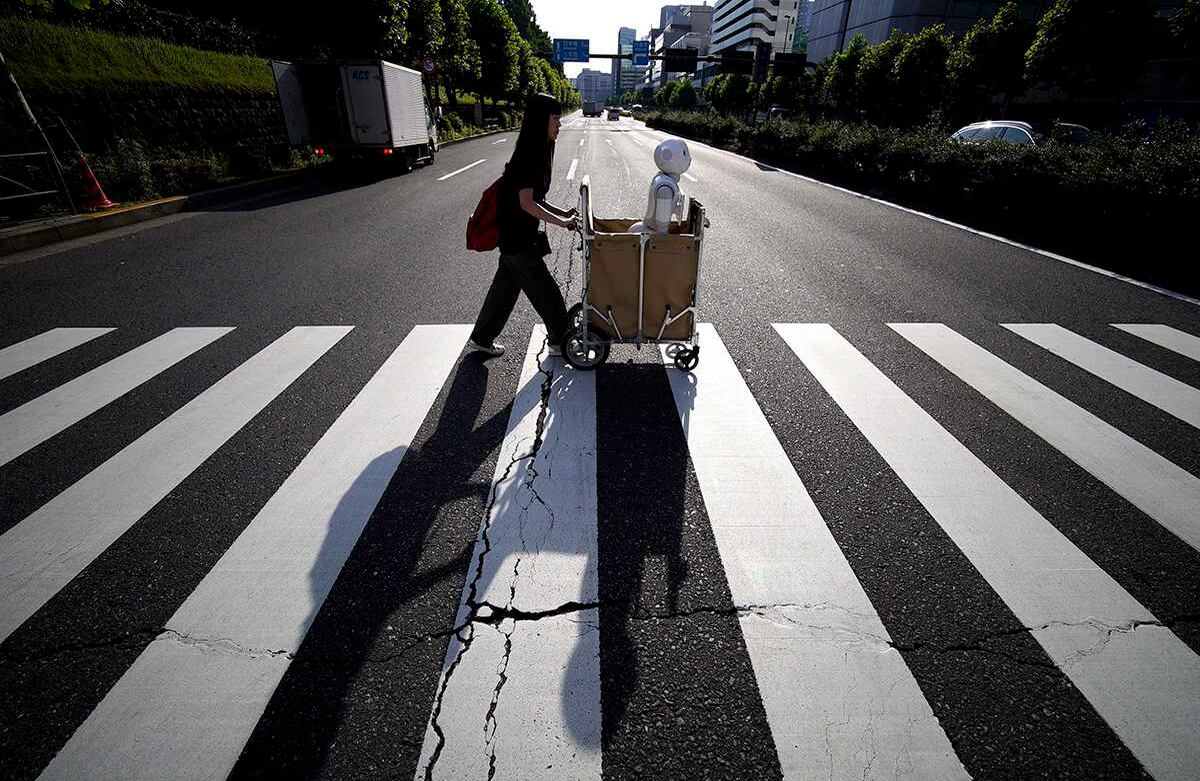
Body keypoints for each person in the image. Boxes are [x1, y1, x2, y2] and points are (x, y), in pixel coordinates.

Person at [467, 93, 579, 358]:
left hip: (514, 236)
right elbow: (527, 203)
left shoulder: (535, 151)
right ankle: (559, 339)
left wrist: (562, 211)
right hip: (518, 238)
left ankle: (482, 337)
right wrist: (562, 222)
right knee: (547, 293)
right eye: (555, 120)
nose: (559, 125)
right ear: (541, 121)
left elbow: (536, 199)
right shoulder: (529, 156)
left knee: (504, 291)